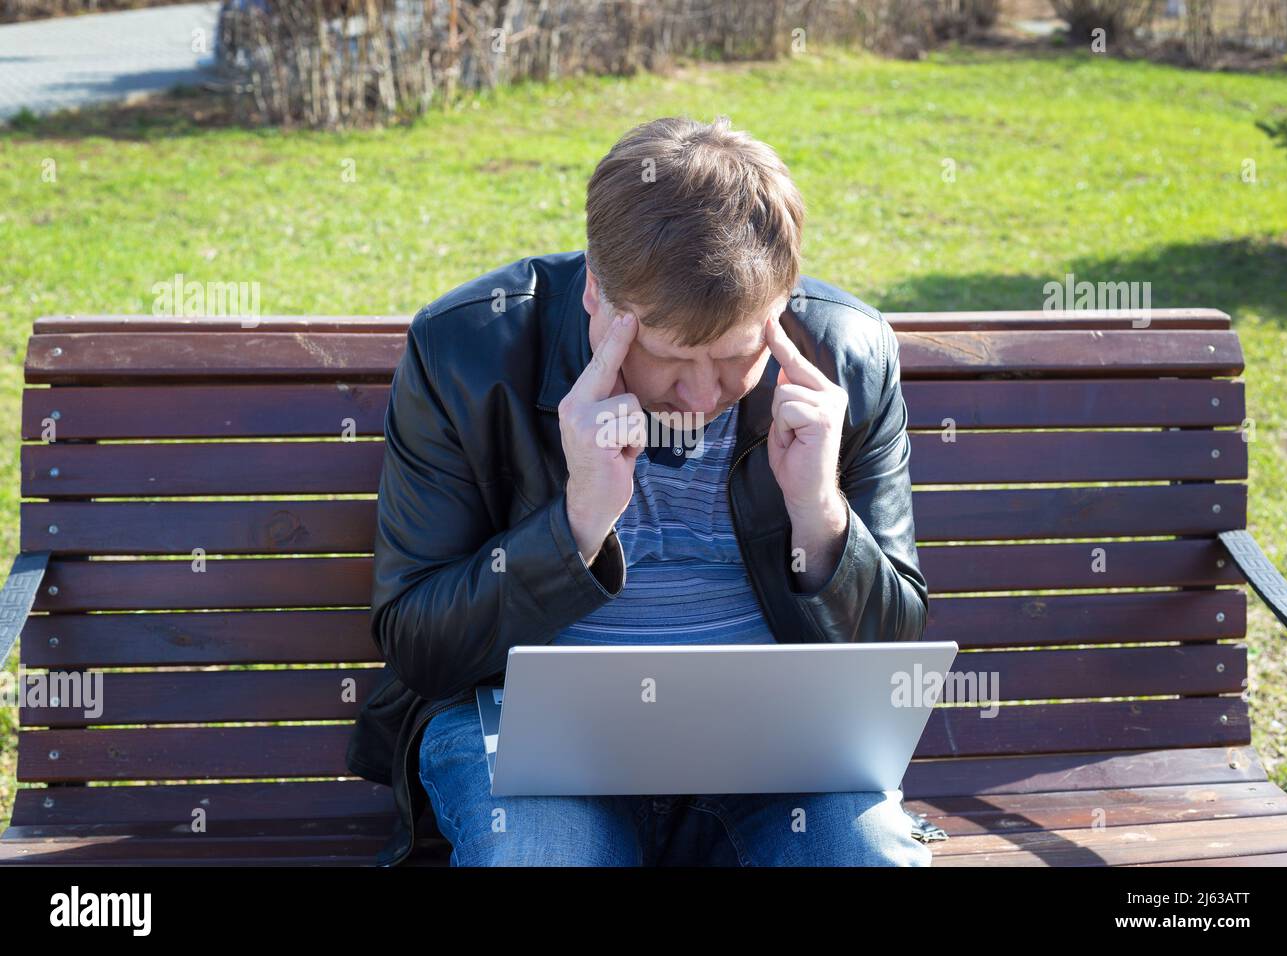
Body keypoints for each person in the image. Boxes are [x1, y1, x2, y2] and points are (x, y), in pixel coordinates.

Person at [347, 115, 931, 867]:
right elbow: (420, 647)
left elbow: (890, 658)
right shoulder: (466, 352)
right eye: (668, 357)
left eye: (736, 357)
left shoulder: (847, 358)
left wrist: (820, 515)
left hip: (776, 753)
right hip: (530, 748)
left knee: (869, 858)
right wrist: (577, 526)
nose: (700, 394)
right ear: (597, 294)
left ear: (780, 308)